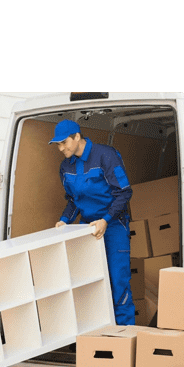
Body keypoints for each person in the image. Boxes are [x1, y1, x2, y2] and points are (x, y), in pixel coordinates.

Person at [50, 119, 135, 325]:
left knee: (118, 281)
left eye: (64, 143)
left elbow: (124, 192)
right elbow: (73, 200)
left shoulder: (106, 156)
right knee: (90, 285)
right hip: (86, 229)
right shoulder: (65, 167)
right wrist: (64, 221)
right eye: (58, 144)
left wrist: (105, 220)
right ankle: (96, 336)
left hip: (113, 226)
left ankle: (124, 336)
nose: (61, 148)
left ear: (77, 137)